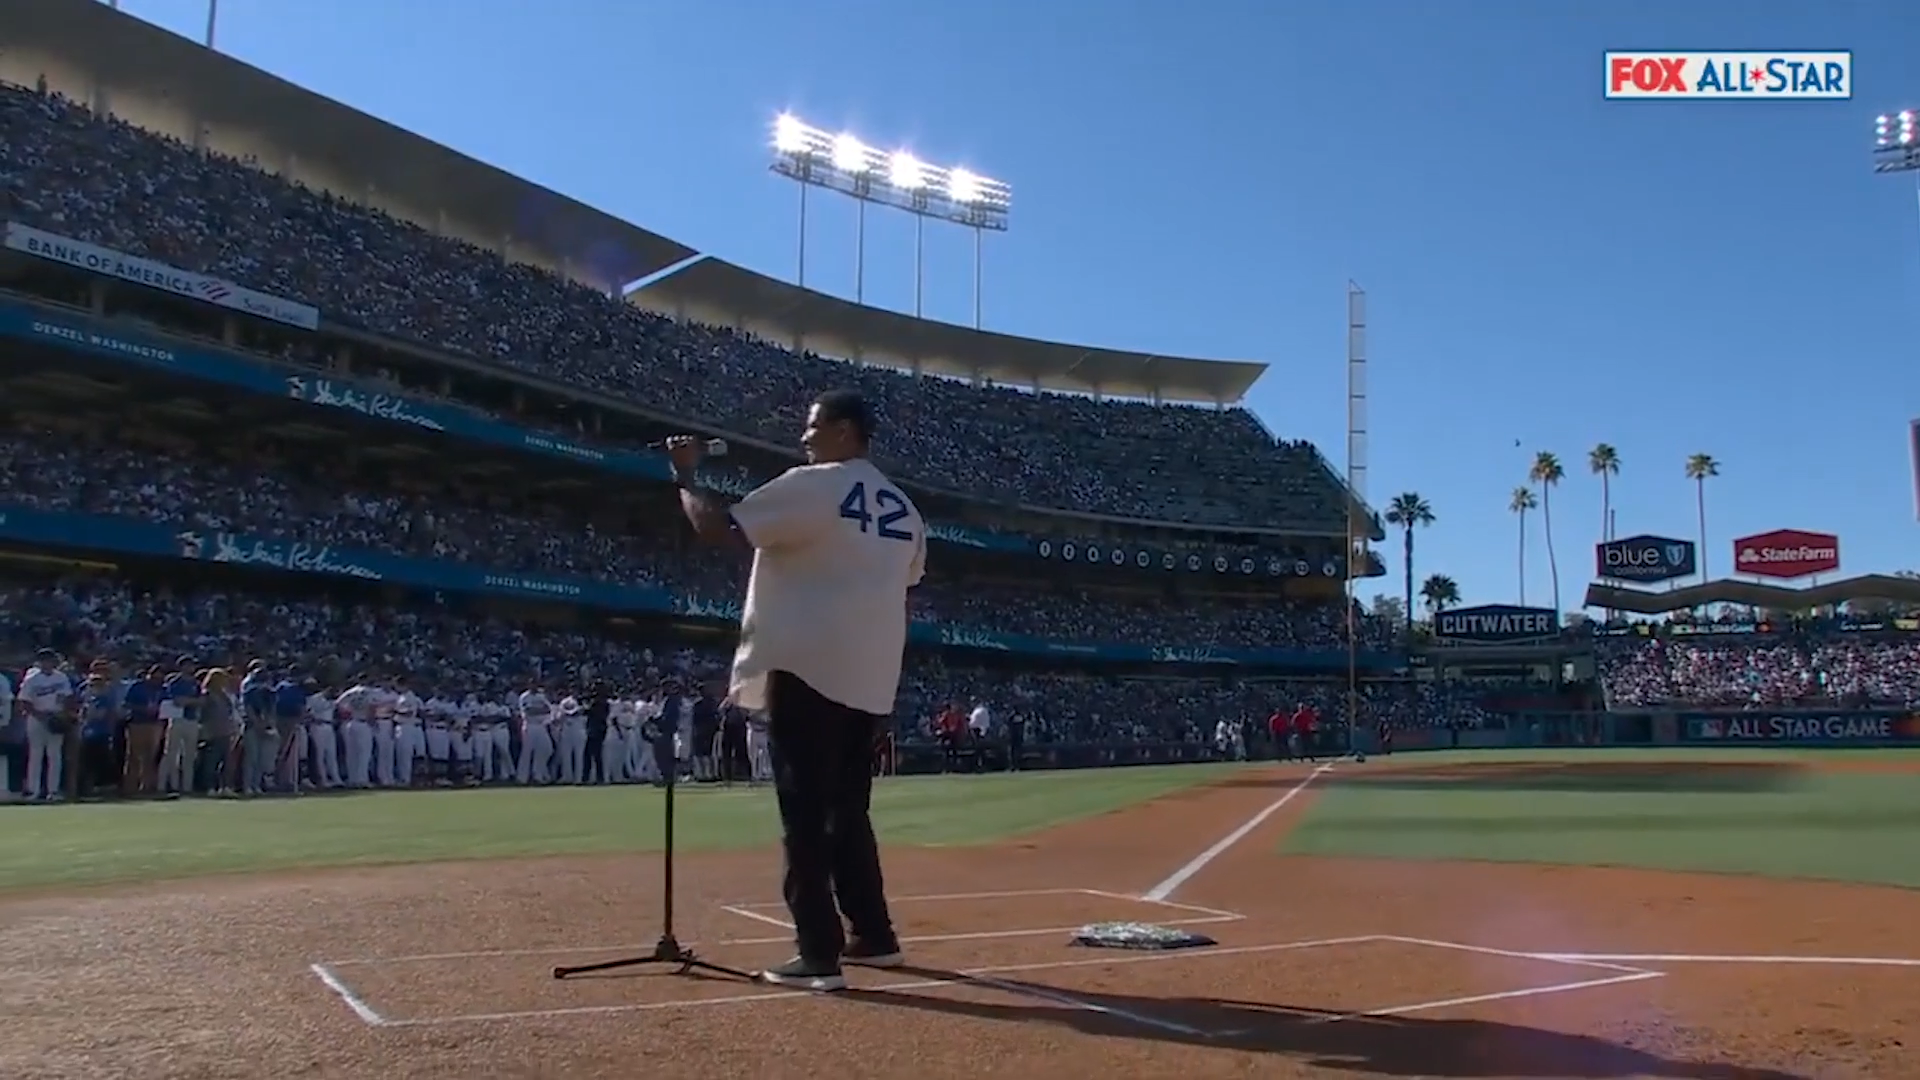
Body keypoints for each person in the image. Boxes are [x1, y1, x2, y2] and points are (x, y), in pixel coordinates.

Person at [667, 389, 925, 993]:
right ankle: (874, 934)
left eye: (812, 427)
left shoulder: (814, 484)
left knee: (804, 813)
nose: (803, 437)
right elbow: (905, 576)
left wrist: (684, 478)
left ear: (842, 430)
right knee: (848, 811)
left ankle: (818, 952)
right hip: (870, 674)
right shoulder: (905, 508)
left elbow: (720, 529)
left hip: (808, 664)